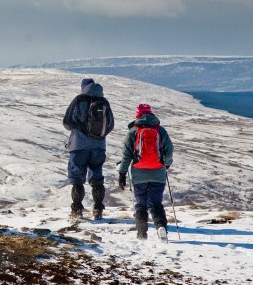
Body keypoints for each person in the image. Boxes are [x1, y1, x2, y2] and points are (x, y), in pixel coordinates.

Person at [117, 103, 174, 240]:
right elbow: (169, 150)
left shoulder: (132, 132)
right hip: (158, 173)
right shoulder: (160, 130)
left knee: (141, 205)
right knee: (156, 204)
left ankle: (141, 234)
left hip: (138, 174)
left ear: (138, 115)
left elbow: (126, 156)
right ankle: (161, 228)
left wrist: (122, 173)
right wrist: (165, 165)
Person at [63, 78, 115, 219]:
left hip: (79, 145)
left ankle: (77, 210)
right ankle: (98, 209)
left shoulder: (79, 100)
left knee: (77, 179)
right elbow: (110, 125)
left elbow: (67, 122)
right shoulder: (104, 102)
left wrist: (79, 128)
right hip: (99, 147)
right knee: (97, 177)